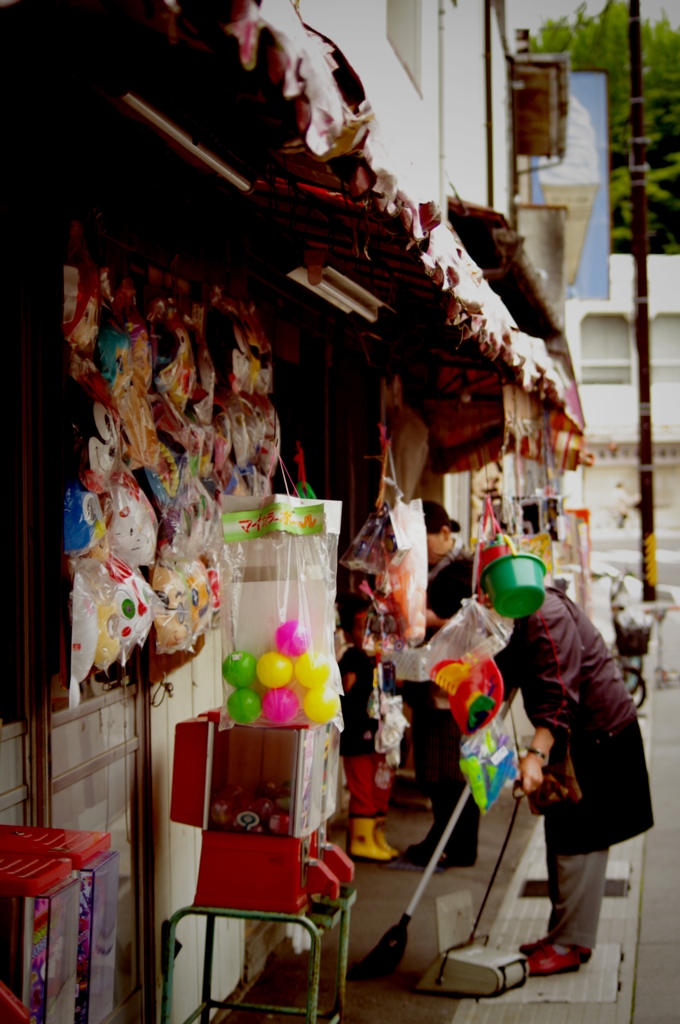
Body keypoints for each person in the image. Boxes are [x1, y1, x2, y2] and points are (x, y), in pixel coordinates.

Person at [494, 585, 654, 977]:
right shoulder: (524, 610)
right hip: (585, 735)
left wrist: (535, 754)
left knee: (579, 838)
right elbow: (512, 672)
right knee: (564, 832)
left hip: (601, 734)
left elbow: (559, 694)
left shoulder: (545, 614)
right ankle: (564, 934)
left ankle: (570, 942)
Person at [401, 501, 481, 868]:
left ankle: (455, 845)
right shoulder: (434, 569)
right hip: (433, 684)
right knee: (436, 772)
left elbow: (473, 621)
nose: (419, 548)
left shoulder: (464, 570)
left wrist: (430, 620)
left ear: (446, 534)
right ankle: (445, 839)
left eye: (424, 539)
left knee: (450, 772)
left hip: (454, 688)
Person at [337, 595, 399, 862]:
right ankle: (360, 840)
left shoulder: (383, 659)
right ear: (350, 634)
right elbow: (346, 692)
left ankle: (377, 835)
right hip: (358, 737)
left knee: (380, 787)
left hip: (380, 737)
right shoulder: (351, 658)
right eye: (364, 628)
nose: (371, 634)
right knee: (362, 787)